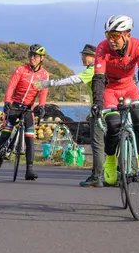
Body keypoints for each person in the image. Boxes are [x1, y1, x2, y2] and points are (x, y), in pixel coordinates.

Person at [91, 15, 139, 185]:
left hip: (129, 88)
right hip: (110, 89)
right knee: (113, 126)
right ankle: (110, 163)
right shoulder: (102, 48)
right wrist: (97, 102)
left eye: (115, 36)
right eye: (108, 35)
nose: (111, 40)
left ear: (127, 34)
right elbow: (98, 78)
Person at [36, 44, 102, 187]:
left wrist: (49, 83)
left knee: (97, 145)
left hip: (101, 110)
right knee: (110, 144)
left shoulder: (93, 69)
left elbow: (73, 80)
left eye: (86, 55)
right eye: (82, 55)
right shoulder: (103, 68)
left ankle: (97, 176)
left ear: (94, 57)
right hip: (110, 108)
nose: (83, 58)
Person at [0, 44, 50, 181]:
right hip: (15, 105)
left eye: (35, 56)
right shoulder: (21, 69)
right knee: (6, 131)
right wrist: (7, 102)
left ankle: (29, 170)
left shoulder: (44, 75)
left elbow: (43, 93)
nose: (32, 58)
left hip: (28, 107)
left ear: (42, 58)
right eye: (30, 55)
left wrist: (41, 106)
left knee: (30, 138)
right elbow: (11, 86)